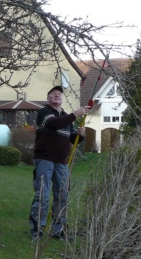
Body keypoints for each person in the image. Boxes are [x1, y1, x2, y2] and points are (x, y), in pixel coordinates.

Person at [29, 85, 89, 240]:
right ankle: (37, 230)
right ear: (48, 98)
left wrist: (80, 135)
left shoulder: (66, 118)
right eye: (53, 94)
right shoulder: (44, 112)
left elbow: (73, 139)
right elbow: (54, 124)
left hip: (62, 162)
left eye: (59, 94)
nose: (57, 95)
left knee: (62, 196)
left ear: (62, 99)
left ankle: (58, 230)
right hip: (44, 159)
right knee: (43, 195)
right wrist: (76, 114)